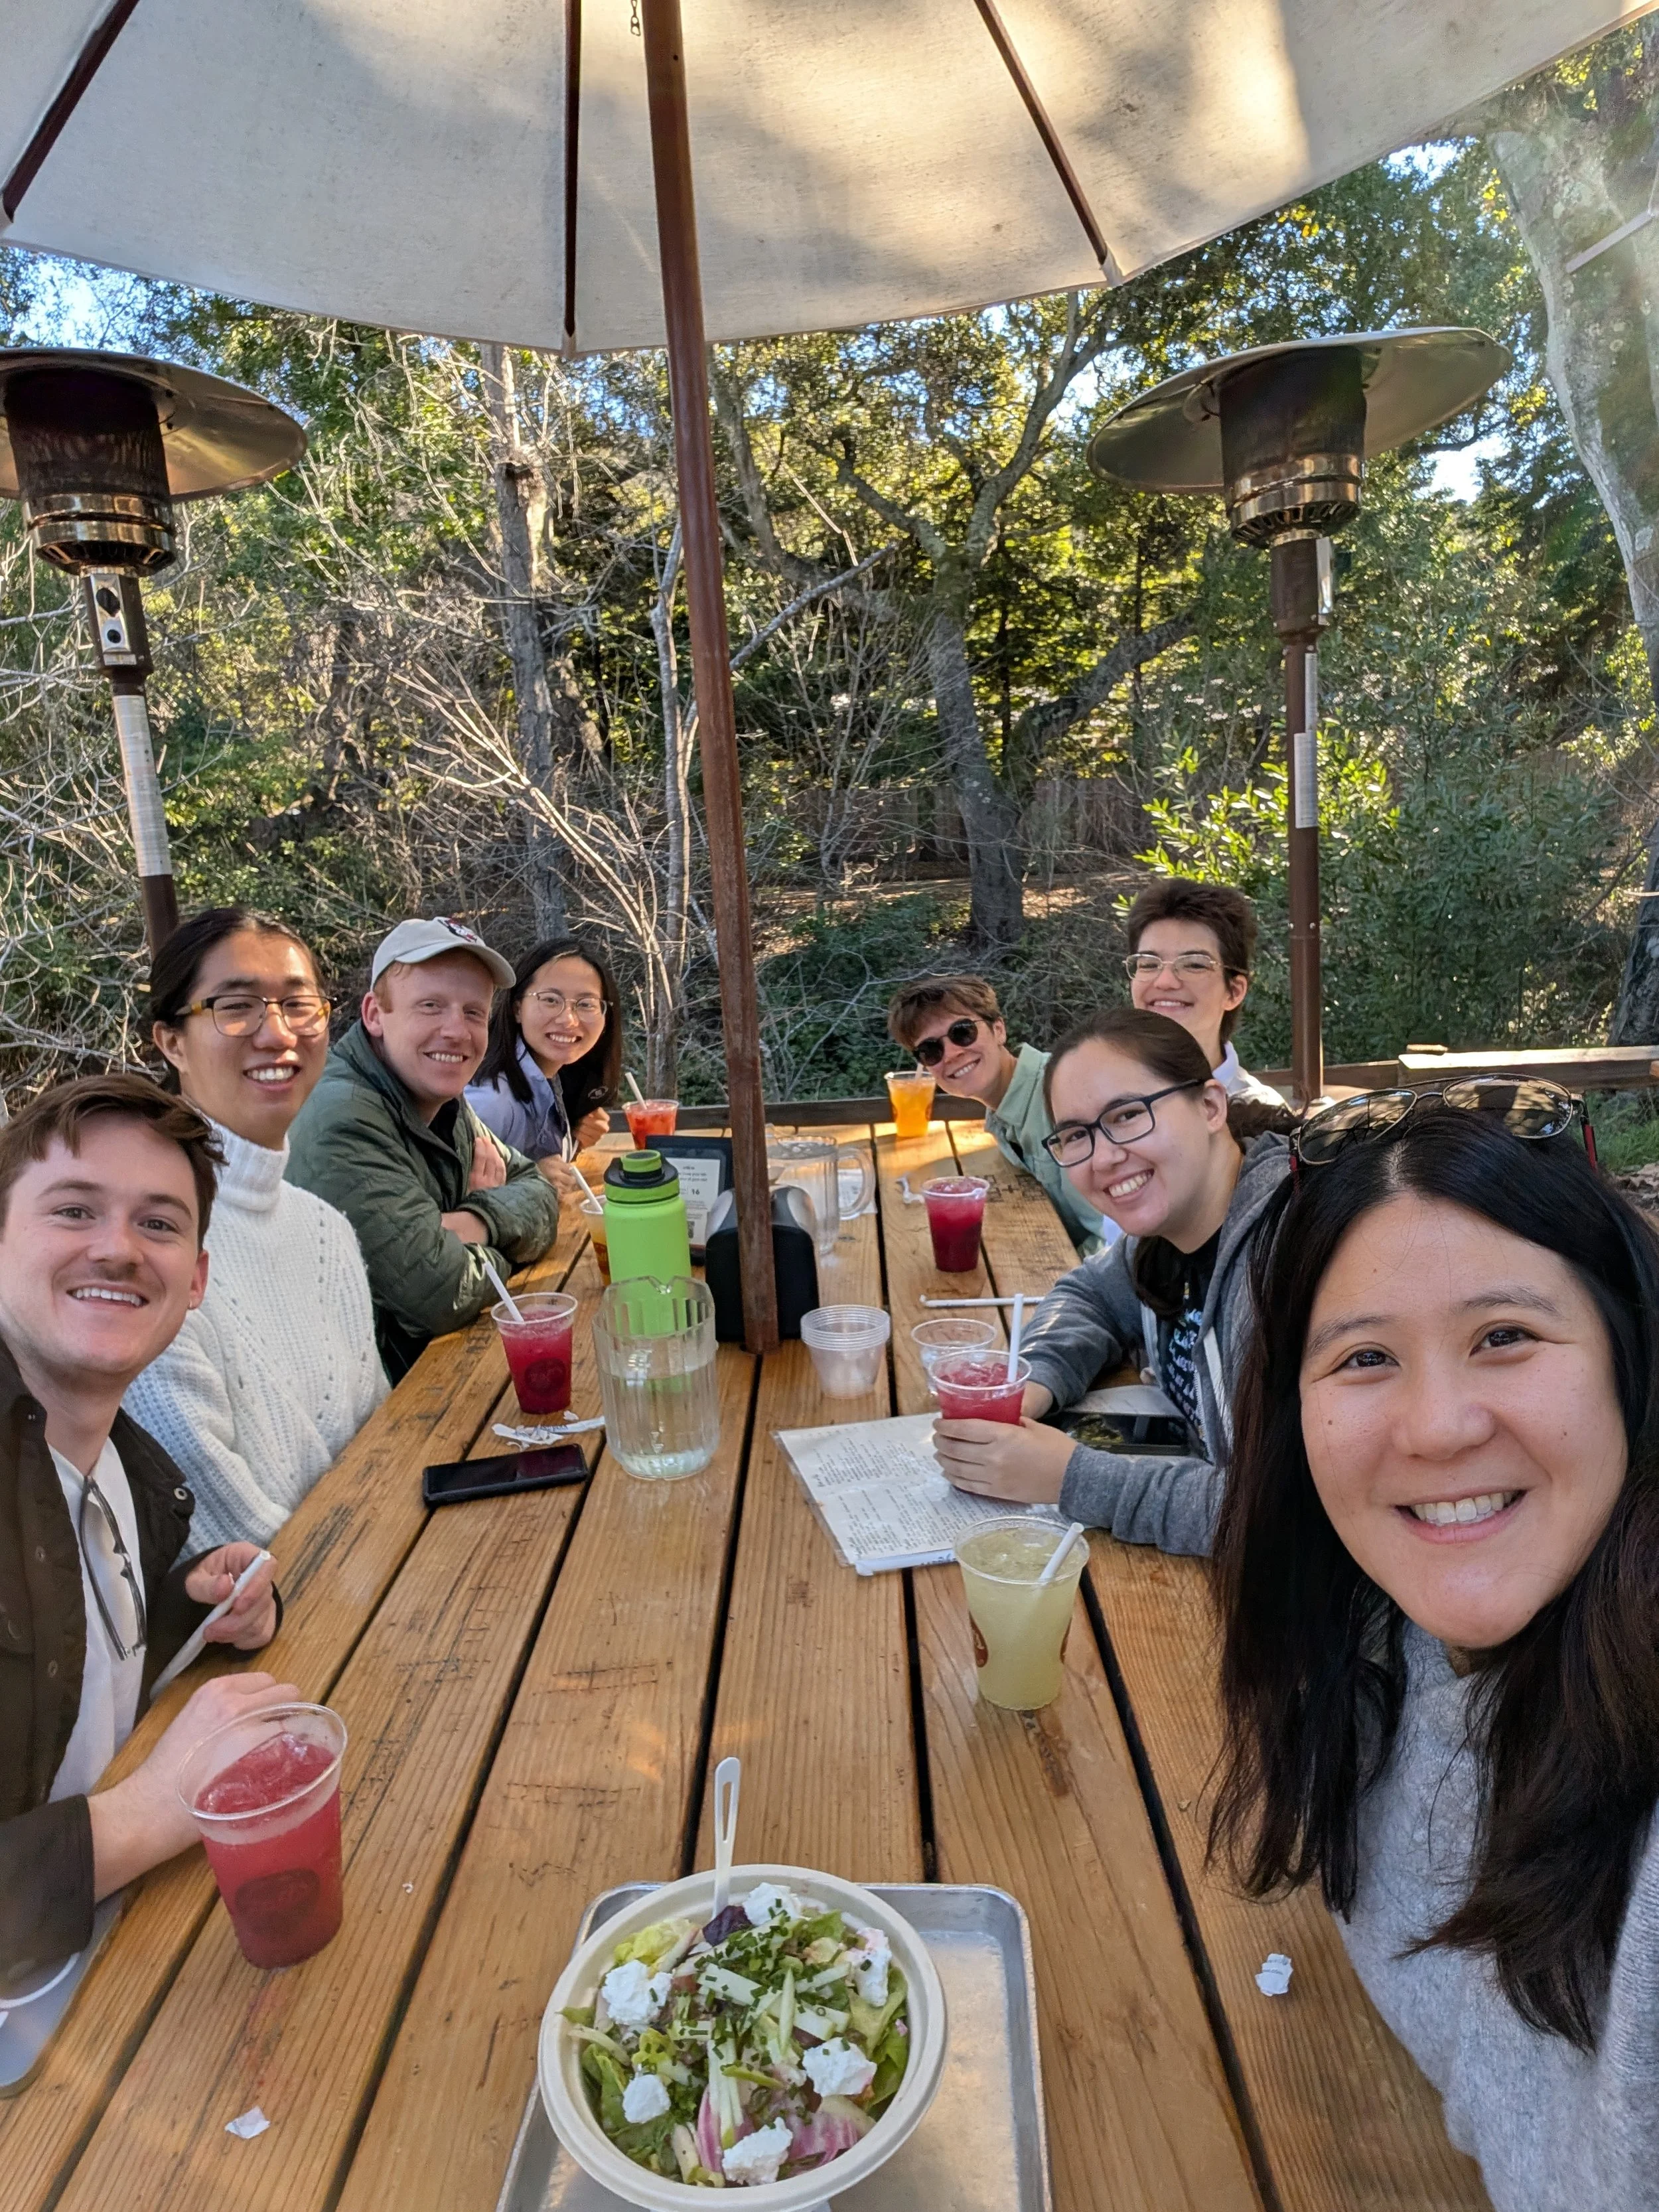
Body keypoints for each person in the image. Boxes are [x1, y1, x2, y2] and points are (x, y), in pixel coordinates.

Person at [1209, 1090, 1659, 2211]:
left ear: (1631, 1355)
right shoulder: (1373, 1636)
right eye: (1365, 1356)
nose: (1438, 1425)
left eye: (1504, 1336)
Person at [0, 1073, 291, 1989]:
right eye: (75, 1210)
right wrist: (156, 1809)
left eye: (159, 1224)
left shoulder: (126, 1466)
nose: (119, 1249)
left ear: (197, 1276)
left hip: (132, 1942)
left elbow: (69, 1658)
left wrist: (193, 1604)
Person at [930, 1007, 1291, 1545]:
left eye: (1127, 1115)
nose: (1103, 1156)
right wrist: (1034, 1382)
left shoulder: (1293, 1257)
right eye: (1075, 1135)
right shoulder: (1163, 1237)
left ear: (1211, 1105)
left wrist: (1072, 1477)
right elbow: (1089, 1293)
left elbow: (1296, 1517)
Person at [121, 908, 388, 1551]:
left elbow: (383, 1439)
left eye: (300, 1006)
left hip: (379, 1579)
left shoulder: (325, 1232)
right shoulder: (145, 1249)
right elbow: (223, 1539)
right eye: (235, 1007)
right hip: (256, 1634)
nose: (277, 1034)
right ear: (171, 1041)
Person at [287, 916, 562, 1382]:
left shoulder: (440, 1095)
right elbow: (441, 1291)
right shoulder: (343, 1118)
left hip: (433, 1375)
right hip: (370, 1416)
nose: (456, 1031)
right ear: (375, 1014)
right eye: (431, 1006)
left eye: (473, 1012)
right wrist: (498, 1243)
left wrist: (474, 1219)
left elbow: (540, 1191)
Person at [885, 975, 1112, 1255]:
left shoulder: (1063, 1097)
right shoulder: (1004, 1110)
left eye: (962, 1032)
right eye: (931, 1050)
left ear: (999, 1029)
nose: (952, 1053)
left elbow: (1110, 1237)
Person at [466, 934, 620, 1197]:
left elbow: (549, 1162)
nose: (569, 1020)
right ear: (517, 1008)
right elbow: (445, 1203)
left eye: (586, 1004)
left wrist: (577, 1141)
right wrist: (526, 1178)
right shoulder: (491, 1102)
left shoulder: (552, 1073)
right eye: (550, 1000)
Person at [1123, 877, 1283, 1105]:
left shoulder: (1262, 1115)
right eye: (1149, 964)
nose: (1165, 982)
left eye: (1194, 964)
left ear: (1234, 992)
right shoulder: (1089, 1095)